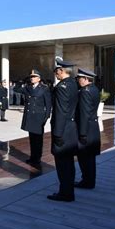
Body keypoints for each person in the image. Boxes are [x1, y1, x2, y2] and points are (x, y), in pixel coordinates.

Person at [48, 57, 78, 202]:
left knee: (62, 164)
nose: (55, 74)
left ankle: (65, 193)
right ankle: (68, 190)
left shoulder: (61, 87)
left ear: (61, 70)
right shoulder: (73, 84)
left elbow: (60, 112)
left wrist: (57, 134)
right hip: (71, 128)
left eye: (56, 71)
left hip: (63, 131)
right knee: (69, 164)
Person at [75, 68, 101, 189]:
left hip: (86, 129)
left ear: (86, 79)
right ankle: (90, 181)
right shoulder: (94, 89)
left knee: (84, 158)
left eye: (79, 78)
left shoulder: (85, 92)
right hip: (93, 127)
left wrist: (82, 134)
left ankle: (87, 182)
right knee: (90, 158)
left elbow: (84, 114)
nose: (78, 80)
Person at [21, 69, 52, 166]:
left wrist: (46, 117)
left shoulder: (44, 88)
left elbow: (48, 104)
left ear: (39, 78)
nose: (32, 78)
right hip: (30, 116)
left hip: (39, 117)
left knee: (38, 140)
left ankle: (37, 158)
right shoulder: (28, 87)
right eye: (31, 77)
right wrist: (23, 80)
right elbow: (16, 89)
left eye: (34, 77)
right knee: (32, 139)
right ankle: (32, 157)